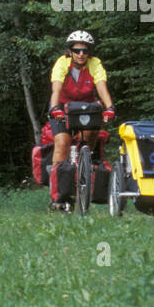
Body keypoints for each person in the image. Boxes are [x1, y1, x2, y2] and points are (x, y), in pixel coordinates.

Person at [48, 31, 116, 209]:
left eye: (85, 51)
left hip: (86, 107)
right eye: (76, 50)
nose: (81, 54)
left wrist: (109, 108)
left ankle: (85, 165)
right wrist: (55, 108)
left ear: (89, 52)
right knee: (62, 142)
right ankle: (57, 197)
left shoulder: (95, 64)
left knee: (92, 134)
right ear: (69, 51)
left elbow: (101, 86)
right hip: (63, 108)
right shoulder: (62, 63)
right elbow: (56, 89)